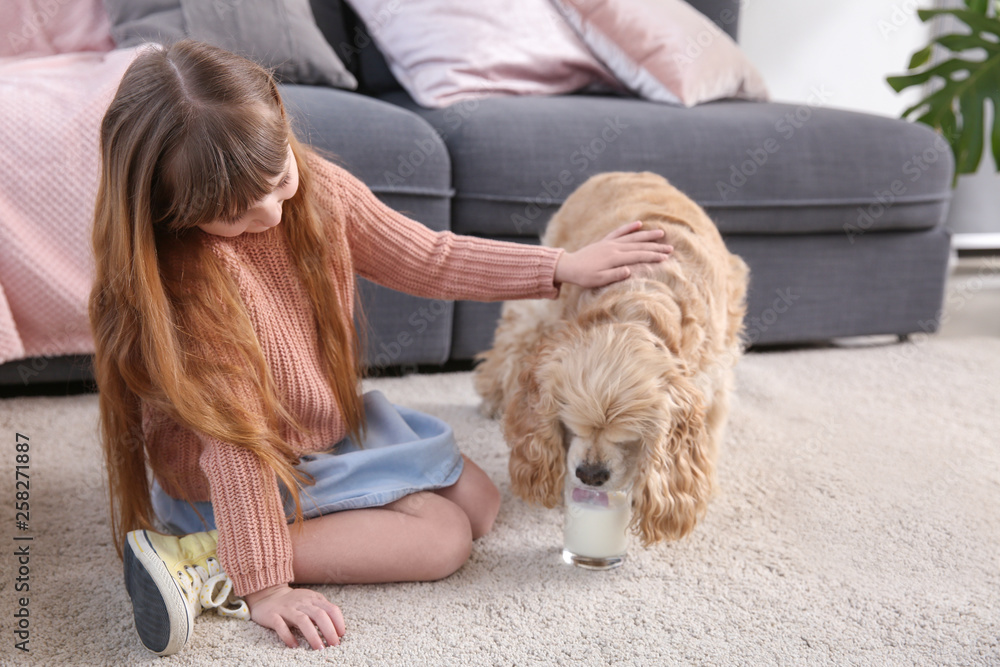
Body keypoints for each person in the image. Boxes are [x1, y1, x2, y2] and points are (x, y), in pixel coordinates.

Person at [88, 39, 673, 656]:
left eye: (277, 178)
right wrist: (265, 589)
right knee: (443, 539)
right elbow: (237, 450)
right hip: (235, 474)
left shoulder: (317, 189)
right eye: (233, 213)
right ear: (171, 209)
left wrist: (562, 266)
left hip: (317, 431)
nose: (269, 213)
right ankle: (202, 557)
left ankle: (284, 530)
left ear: (284, 124)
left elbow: (430, 258)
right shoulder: (189, 288)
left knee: (480, 504)